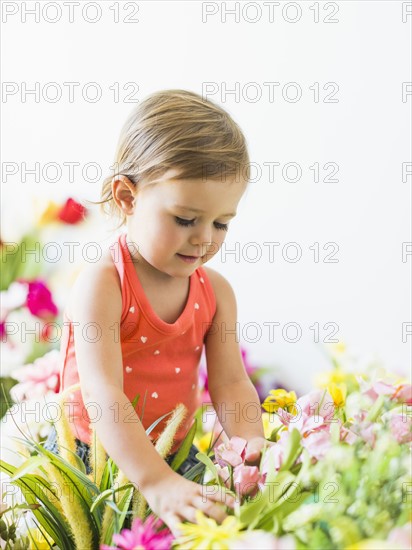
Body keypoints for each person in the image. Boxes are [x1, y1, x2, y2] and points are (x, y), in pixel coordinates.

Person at [44, 89, 267, 534]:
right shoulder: (104, 285)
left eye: (221, 223)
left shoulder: (216, 292)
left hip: (175, 452)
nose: (204, 238)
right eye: (185, 219)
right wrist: (154, 481)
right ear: (127, 197)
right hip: (95, 459)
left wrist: (253, 451)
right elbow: (103, 395)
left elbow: (230, 383)